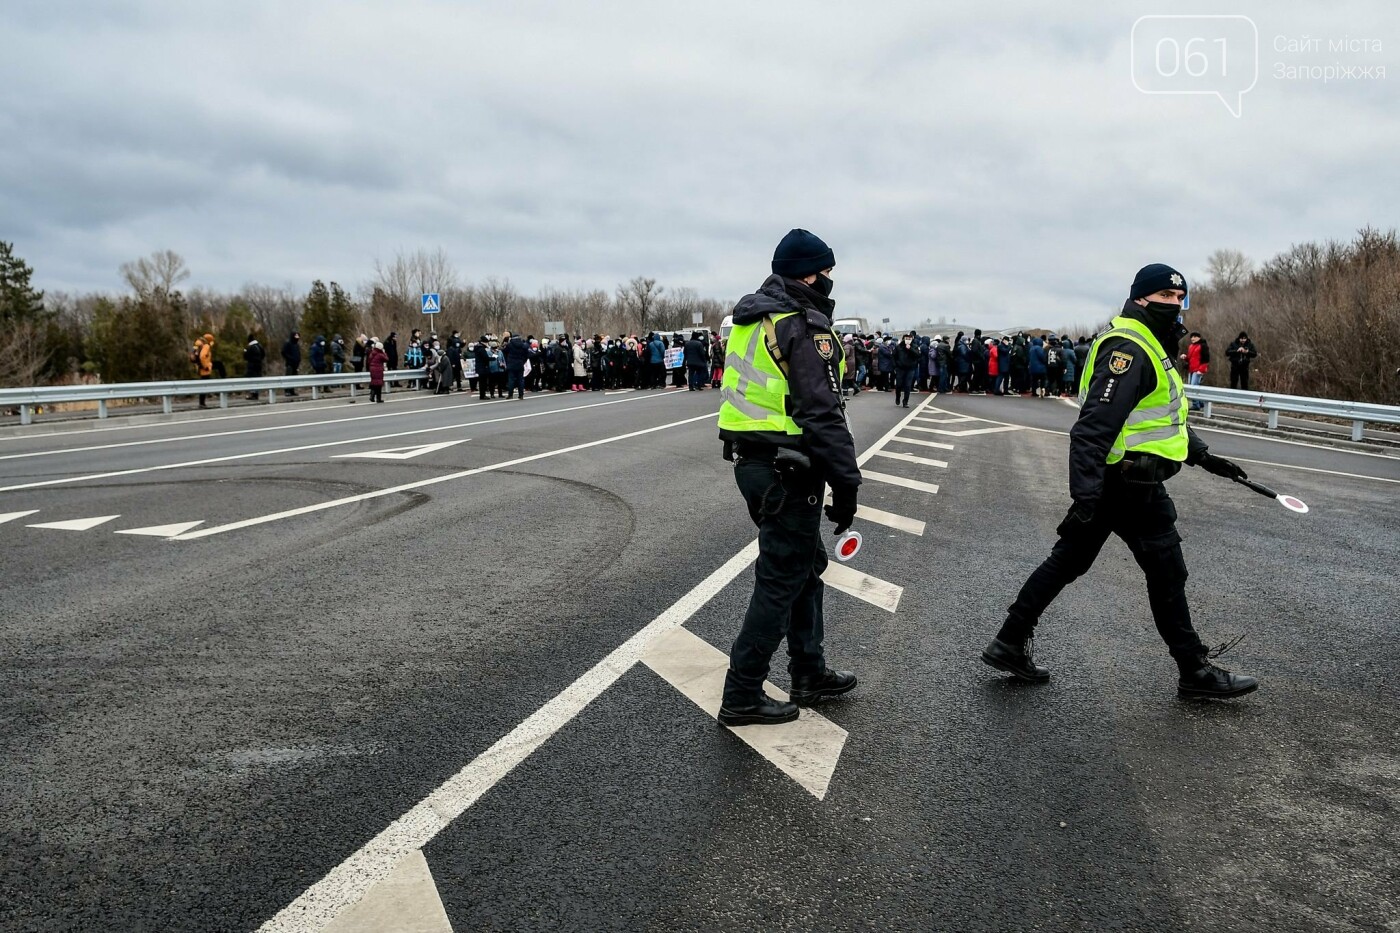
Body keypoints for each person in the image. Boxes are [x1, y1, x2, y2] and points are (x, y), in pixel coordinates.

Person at [981, 263, 1258, 699]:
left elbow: (1159, 417)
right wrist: (1085, 495)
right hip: (1129, 485)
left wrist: (1203, 454)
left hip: (1124, 481)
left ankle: (1009, 641)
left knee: (1068, 562)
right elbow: (1093, 428)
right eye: (1164, 297)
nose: (1174, 305)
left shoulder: (1149, 342)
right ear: (1142, 298)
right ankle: (1194, 671)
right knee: (1167, 574)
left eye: (1179, 298)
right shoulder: (1129, 349)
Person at [716, 228, 860, 727]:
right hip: (787, 469)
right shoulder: (799, 325)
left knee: (804, 567)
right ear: (809, 273)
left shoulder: (751, 319)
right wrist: (847, 485)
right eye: (826, 272)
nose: (829, 281)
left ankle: (809, 671)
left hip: (755, 463)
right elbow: (822, 412)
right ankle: (742, 693)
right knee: (779, 582)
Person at [1181, 331, 1210, 410]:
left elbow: (1206, 359)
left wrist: (1201, 370)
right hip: (1191, 369)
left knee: (1193, 386)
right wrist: (1185, 357)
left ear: (1199, 338)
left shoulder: (1203, 346)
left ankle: (1196, 404)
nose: (1192, 338)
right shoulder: (1191, 346)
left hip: (1198, 370)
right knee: (1195, 386)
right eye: (1191, 337)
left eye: (1194, 337)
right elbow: (1191, 359)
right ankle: (1200, 403)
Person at [893, 331, 920, 408]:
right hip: (900, 369)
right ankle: (898, 397)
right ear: (903, 339)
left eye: (910, 339)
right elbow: (893, 356)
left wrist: (910, 349)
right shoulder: (899, 347)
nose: (908, 340)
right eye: (906, 338)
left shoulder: (914, 346)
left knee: (907, 386)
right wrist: (895, 366)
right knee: (898, 385)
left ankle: (905, 401)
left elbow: (917, 355)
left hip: (910, 369)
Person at [194, 333, 215, 408]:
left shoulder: (201, 346)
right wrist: (205, 366)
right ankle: (202, 403)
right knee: (204, 386)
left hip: (201, 369)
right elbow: (202, 356)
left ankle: (202, 403)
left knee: (204, 385)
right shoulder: (206, 346)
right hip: (205, 370)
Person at [243, 333, 264, 400]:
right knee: (257, 380)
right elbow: (263, 354)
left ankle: (253, 394)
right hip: (259, 365)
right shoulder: (260, 346)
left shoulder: (250, 347)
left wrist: (245, 352)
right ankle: (256, 394)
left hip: (252, 366)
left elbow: (246, 357)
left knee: (252, 380)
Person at [281, 331, 301, 396]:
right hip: (290, 364)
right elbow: (283, 352)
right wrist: (290, 358)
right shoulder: (288, 343)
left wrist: (298, 360)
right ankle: (287, 391)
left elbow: (298, 354)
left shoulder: (297, 345)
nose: (297, 338)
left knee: (294, 378)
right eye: (296, 336)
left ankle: (292, 390)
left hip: (296, 364)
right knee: (288, 378)